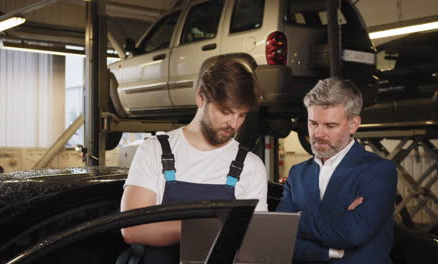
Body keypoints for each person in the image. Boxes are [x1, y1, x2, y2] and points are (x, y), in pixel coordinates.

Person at [120, 59, 268, 263]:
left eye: (241, 115)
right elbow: (132, 229)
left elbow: (255, 242)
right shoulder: (154, 150)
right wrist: (207, 229)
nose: (233, 124)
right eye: (225, 112)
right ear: (201, 98)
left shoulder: (251, 166)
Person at [277, 77, 398, 263]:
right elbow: (280, 238)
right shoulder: (297, 174)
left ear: (354, 124)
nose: (318, 134)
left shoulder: (379, 171)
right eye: (313, 123)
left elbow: (352, 233)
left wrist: (297, 219)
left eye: (330, 126)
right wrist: (331, 250)